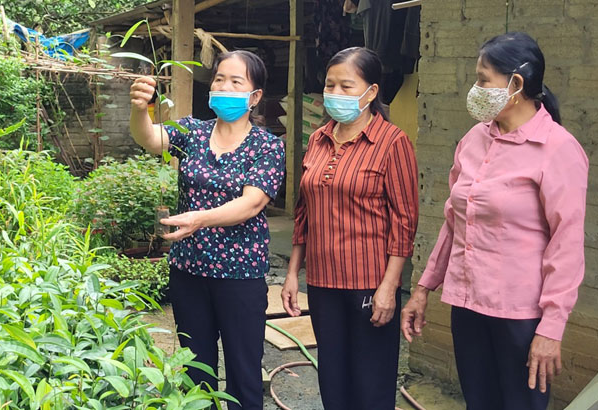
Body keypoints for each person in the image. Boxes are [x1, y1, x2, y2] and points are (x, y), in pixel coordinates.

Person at [401, 32, 589, 410]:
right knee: (479, 403)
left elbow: (566, 246)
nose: (476, 88)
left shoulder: (558, 149)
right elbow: (455, 221)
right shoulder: (473, 140)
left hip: (521, 318)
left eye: (483, 79)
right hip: (468, 306)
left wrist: (551, 329)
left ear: (516, 84)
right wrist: (423, 288)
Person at [129, 50, 285, 410]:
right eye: (219, 79)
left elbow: (251, 203)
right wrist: (141, 109)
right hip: (189, 272)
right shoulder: (192, 131)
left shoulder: (267, 146)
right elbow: (150, 139)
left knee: (244, 373)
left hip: (240, 276)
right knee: (194, 371)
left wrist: (198, 218)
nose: (224, 86)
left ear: (255, 96)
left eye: (236, 81)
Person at [281, 47, 419, 410]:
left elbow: (404, 222)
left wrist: (389, 287)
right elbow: (303, 212)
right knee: (333, 377)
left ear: (371, 92)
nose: (335, 94)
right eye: (330, 85)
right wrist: (293, 273)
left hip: (368, 283)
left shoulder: (393, 143)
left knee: (370, 382)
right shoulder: (317, 139)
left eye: (346, 86)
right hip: (324, 283)